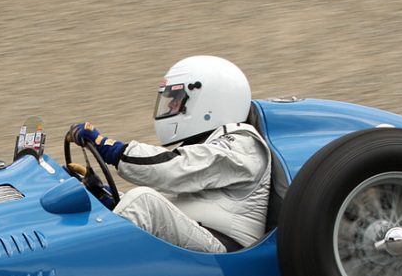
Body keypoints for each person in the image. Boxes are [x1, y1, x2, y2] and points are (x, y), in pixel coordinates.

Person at [67, 55, 271, 254]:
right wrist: (106, 197)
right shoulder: (208, 144)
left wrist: (108, 147)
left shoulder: (243, 145)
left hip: (227, 251)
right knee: (135, 199)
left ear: (211, 102)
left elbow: (173, 169)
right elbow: (176, 200)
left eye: (178, 99)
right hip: (201, 235)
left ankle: (87, 269)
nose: (171, 106)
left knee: (144, 200)